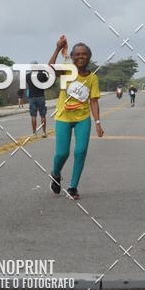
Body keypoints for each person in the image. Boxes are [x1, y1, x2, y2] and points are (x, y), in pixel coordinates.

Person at [49, 35, 103, 200]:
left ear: (89, 57)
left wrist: (98, 123)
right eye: (77, 54)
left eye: (84, 54)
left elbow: (93, 101)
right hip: (63, 117)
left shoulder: (92, 78)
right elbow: (49, 70)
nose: (81, 57)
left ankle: (73, 187)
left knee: (80, 152)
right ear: (72, 57)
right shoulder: (66, 70)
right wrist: (58, 48)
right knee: (62, 154)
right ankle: (55, 174)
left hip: (82, 118)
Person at [26, 61, 49, 137]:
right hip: (40, 96)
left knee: (33, 116)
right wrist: (41, 71)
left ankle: (34, 132)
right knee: (43, 115)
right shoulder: (41, 75)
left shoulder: (28, 76)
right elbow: (46, 80)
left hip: (31, 97)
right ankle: (44, 132)